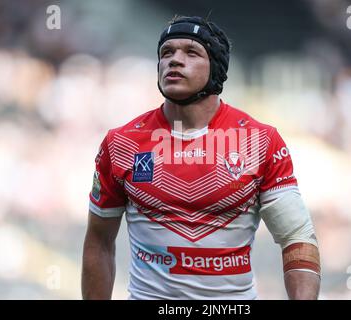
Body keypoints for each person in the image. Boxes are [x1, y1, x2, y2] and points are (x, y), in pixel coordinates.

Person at [81, 15, 320, 300]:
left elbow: (297, 239)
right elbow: (99, 240)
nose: (174, 60)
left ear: (216, 69)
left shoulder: (261, 140)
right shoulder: (121, 143)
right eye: (166, 53)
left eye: (191, 52)